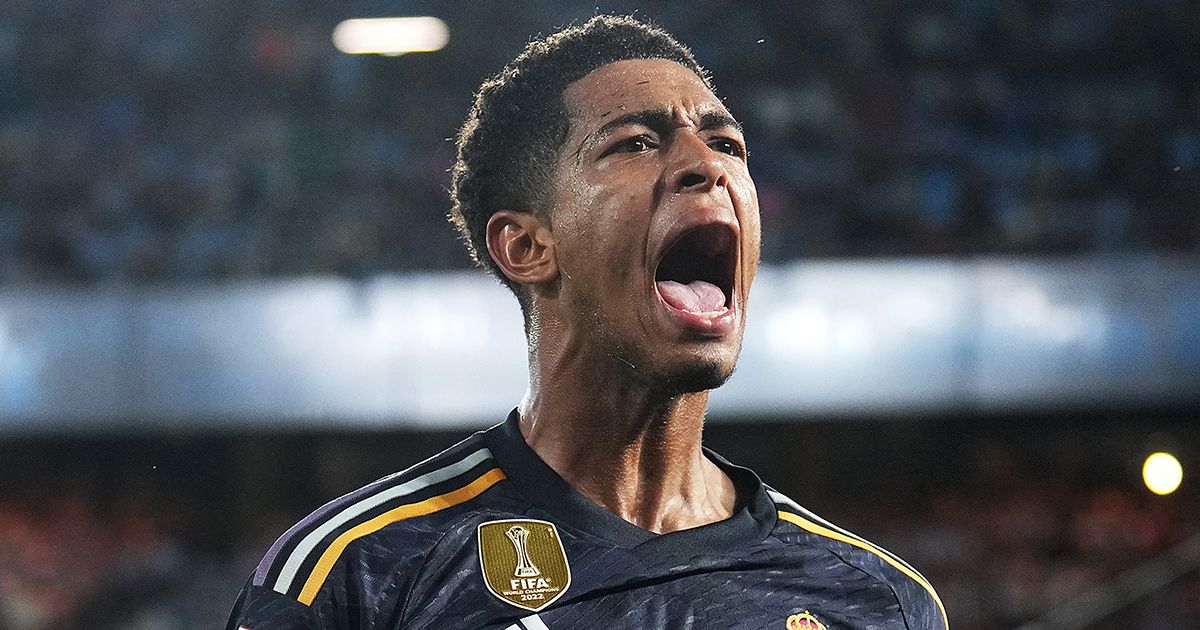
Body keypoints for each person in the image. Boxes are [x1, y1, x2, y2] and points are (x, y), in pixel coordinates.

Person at [228, 15, 947, 630]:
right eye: (636, 142)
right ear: (528, 246)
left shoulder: (880, 602)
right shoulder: (358, 574)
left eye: (727, 144)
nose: (707, 166)